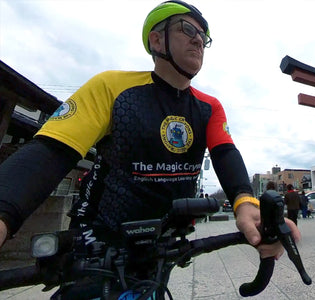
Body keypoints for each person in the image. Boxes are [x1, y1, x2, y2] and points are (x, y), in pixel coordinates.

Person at [0, 0, 298, 271]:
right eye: (187, 29)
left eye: (204, 37)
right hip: (99, 242)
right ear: (156, 40)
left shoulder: (209, 107)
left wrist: (247, 206)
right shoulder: (112, 88)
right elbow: (51, 151)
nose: (199, 39)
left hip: (164, 245)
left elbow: (225, 155)